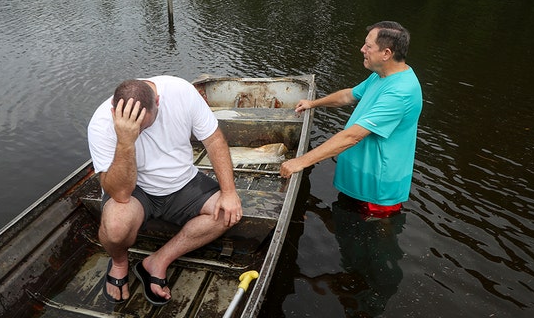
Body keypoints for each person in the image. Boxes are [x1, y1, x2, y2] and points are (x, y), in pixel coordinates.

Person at [87, 76, 242, 305]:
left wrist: (229, 192)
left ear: (157, 101)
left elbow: (214, 140)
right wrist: (126, 141)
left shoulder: (181, 92)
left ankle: (157, 261)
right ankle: (120, 262)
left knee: (228, 213)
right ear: (114, 110)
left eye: (145, 125)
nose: (140, 131)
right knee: (115, 227)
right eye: (135, 127)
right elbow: (120, 194)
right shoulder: (101, 123)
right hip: (136, 190)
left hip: (183, 183)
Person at [280, 21, 422, 219]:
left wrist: (301, 162)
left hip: (377, 192)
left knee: (371, 242)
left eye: (368, 46)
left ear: (386, 53)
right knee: (344, 234)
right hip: (360, 180)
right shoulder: (382, 74)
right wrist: (313, 103)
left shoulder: (401, 92)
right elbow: (348, 95)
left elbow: (352, 137)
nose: (362, 49)